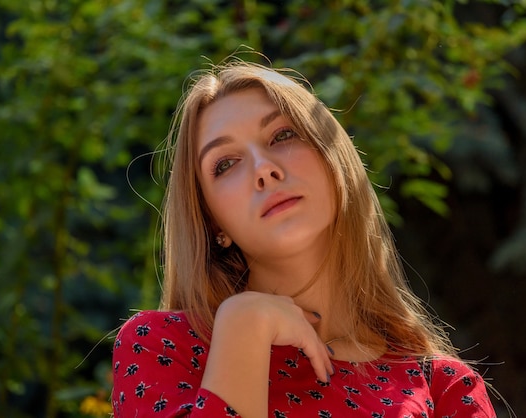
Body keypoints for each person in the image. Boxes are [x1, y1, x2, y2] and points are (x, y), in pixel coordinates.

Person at [111, 60, 497, 417]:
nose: (264, 170)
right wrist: (244, 325)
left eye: (282, 135)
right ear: (213, 222)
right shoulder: (160, 347)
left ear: (335, 160)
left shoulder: (444, 387)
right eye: (225, 164)